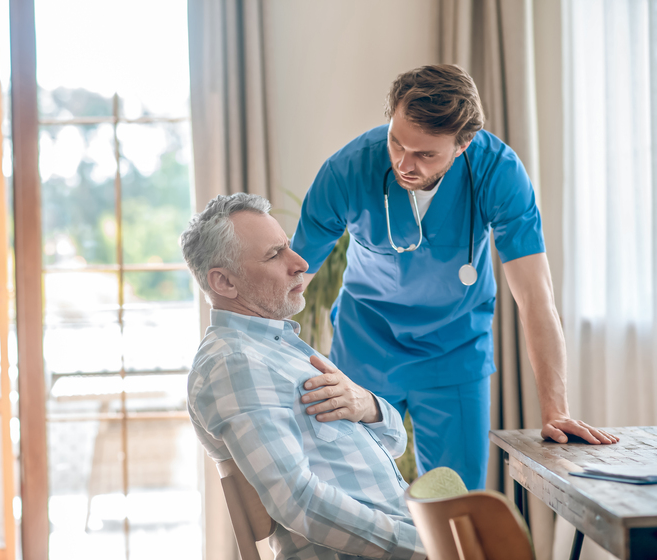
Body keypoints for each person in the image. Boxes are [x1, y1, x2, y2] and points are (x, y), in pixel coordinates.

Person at [291, 64, 618, 491]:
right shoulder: (348, 170)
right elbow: (293, 276)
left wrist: (556, 410)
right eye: (396, 142)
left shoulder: (497, 173)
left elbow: (536, 298)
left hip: (455, 349)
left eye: (425, 154)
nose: (403, 163)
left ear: (463, 144)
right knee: (357, 494)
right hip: (365, 345)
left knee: (455, 501)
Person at [182, 193, 427, 560]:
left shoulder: (278, 347)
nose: (300, 263)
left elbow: (394, 440)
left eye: (289, 248)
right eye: (274, 255)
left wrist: (367, 405)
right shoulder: (235, 363)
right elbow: (298, 501)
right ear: (225, 283)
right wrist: (423, 548)